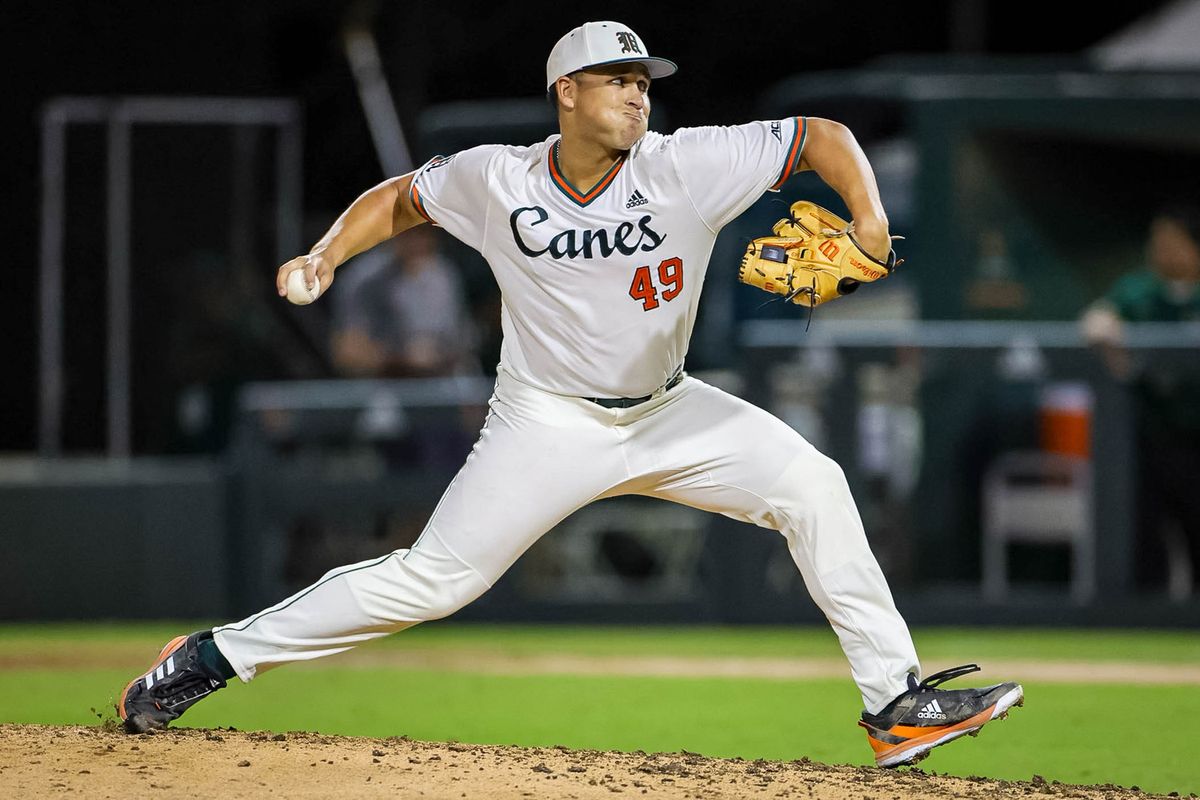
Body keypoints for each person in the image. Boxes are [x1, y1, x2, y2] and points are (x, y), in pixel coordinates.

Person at [117, 21, 1022, 768]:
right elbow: (403, 198)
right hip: (544, 421)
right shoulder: (497, 179)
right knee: (432, 582)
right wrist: (325, 254)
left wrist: (867, 216)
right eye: (618, 79)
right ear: (568, 93)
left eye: (644, 81)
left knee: (814, 484)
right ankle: (210, 656)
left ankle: (896, 706)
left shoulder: (684, 165)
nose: (638, 94)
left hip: (671, 413)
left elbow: (821, 137)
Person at [1081, 204, 1200, 595]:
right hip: (1151, 437)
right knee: (1146, 540)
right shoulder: (1139, 290)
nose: (1161, 250)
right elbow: (1096, 322)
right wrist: (1114, 342)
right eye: (1157, 240)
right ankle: (1145, 620)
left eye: (1172, 242)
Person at [331, 224, 477, 378]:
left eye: (424, 232)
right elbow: (347, 354)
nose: (417, 241)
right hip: (385, 385)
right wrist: (403, 358)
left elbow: (463, 343)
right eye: (409, 231)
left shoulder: (444, 275)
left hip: (441, 381)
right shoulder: (364, 279)